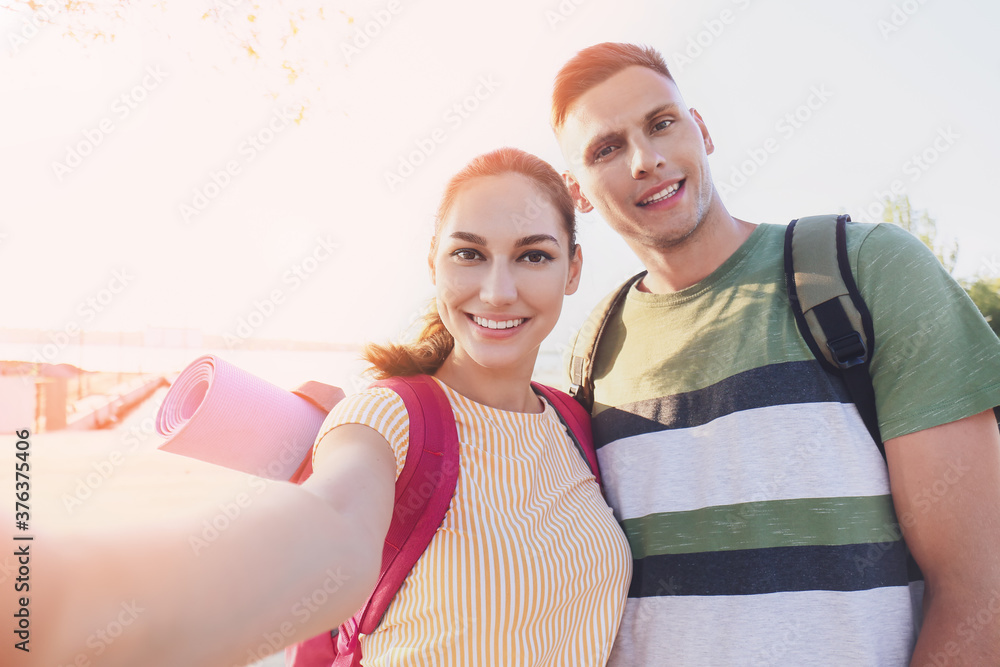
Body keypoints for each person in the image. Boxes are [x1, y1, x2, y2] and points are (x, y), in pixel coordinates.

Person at [13, 147, 631, 667]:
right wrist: (58, 599)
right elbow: (330, 531)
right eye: (468, 253)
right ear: (434, 266)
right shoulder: (386, 418)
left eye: (534, 255)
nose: (498, 290)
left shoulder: (578, 425)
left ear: (573, 269)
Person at [549, 42, 1000, 666]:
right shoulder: (591, 352)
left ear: (700, 129)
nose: (645, 160)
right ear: (578, 193)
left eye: (661, 124)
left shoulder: (869, 270)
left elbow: (981, 590)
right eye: (607, 149)